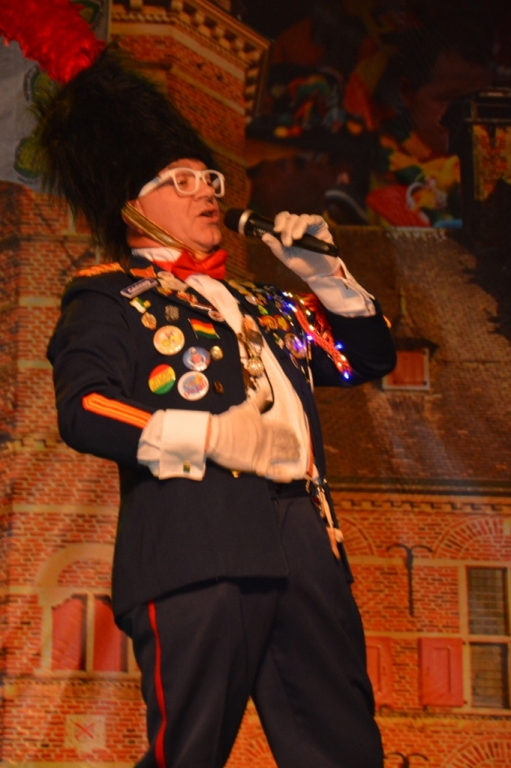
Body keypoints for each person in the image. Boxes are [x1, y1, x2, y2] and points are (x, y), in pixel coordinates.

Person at [39, 47, 395, 768]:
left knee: (345, 750)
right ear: (132, 205)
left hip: (304, 541)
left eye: (210, 178)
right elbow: (85, 407)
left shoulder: (265, 302)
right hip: (196, 541)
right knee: (189, 753)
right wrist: (204, 436)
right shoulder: (109, 296)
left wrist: (330, 280)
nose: (206, 190)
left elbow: (364, 359)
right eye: (181, 180)